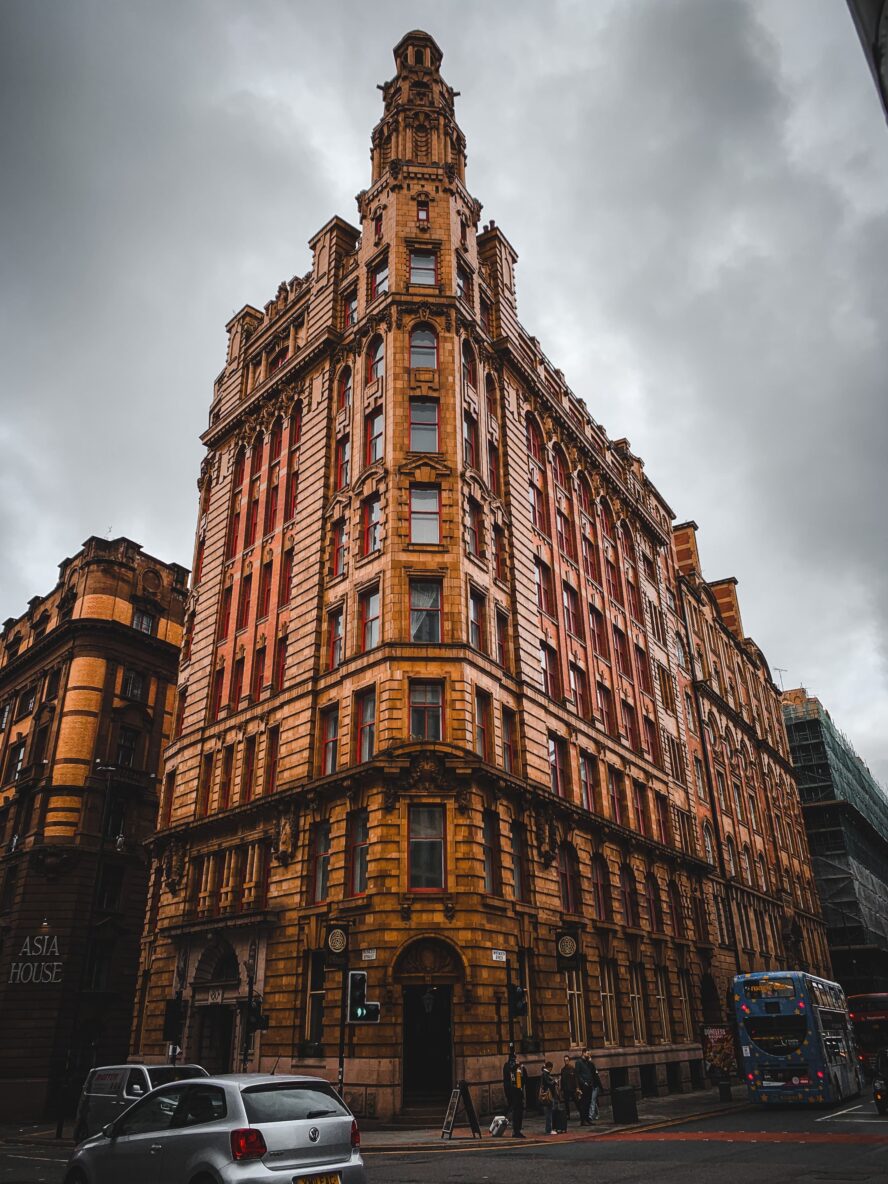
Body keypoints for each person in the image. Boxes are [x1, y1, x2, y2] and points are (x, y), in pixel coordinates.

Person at [502, 1048, 526, 1138]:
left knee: (512, 1109)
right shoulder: (516, 1067)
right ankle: (516, 1131)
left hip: (511, 1092)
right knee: (517, 1112)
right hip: (516, 1092)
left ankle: (515, 1129)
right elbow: (523, 1079)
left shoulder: (506, 1066)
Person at [574, 1049, 593, 1125]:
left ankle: (587, 1119)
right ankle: (583, 1120)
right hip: (583, 1086)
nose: (589, 1055)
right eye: (588, 1054)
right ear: (583, 1053)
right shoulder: (578, 1062)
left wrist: (590, 1061)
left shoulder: (588, 1062)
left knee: (588, 1102)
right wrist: (583, 1082)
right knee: (583, 1103)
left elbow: (592, 1071)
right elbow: (577, 1075)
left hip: (589, 1085)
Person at [540, 1060, 558, 1135]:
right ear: (550, 1067)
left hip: (548, 1094)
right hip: (548, 1095)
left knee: (549, 1112)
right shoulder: (545, 1074)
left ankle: (549, 1128)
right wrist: (554, 1081)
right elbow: (548, 1083)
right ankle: (549, 1129)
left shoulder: (545, 1074)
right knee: (549, 1113)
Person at [585, 1050, 602, 1121]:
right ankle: (597, 1113)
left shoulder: (591, 1064)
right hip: (590, 1085)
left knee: (592, 1100)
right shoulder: (586, 1064)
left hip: (594, 1086)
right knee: (593, 1100)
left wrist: (600, 1087)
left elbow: (596, 1076)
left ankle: (590, 1116)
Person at [560, 1054, 577, 1125]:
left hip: (572, 1089)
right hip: (566, 1089)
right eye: (565, 1060)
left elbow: (575, 1079)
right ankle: (568, 1115)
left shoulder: (572, 1068)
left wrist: (576, 1087)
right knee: (566, 1103)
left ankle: (581, 1112)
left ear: (569, 1060)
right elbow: (562, 1080)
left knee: (576, 1101)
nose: (566, 1061)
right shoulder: (563, 1070)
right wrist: (562, 1089)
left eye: (567, 1060)